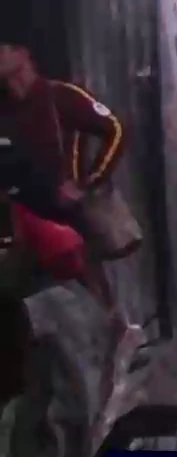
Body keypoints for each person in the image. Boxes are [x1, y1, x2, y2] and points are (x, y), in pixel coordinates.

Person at [0, 37, 130, 332]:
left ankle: (116, 335)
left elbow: (116, 129)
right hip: (23, 220)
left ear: (22, 53)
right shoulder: (4, 109)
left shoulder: (61, 95)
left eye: (1, 50)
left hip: (65, 214)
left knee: (91, 287)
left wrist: (89, 182)